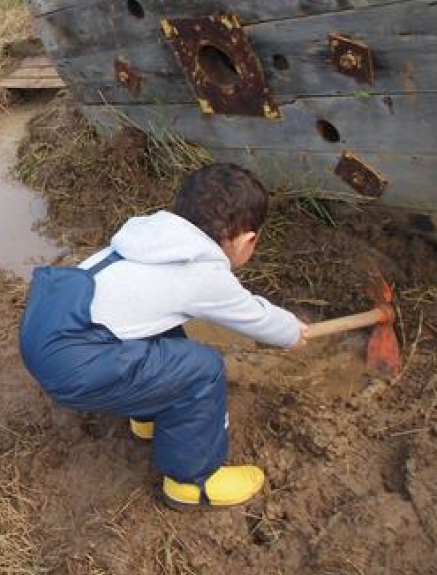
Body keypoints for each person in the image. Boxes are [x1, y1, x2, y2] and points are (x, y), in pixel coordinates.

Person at [19, 163, 308, 509]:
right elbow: (255, 317)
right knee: (202, 369)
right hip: (76, 361)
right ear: (248, 239)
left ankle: (149, 414)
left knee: (167, 332)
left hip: (46, 326)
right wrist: (292, 332)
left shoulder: (150, 238)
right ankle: (193, 481)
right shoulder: (202, 271)